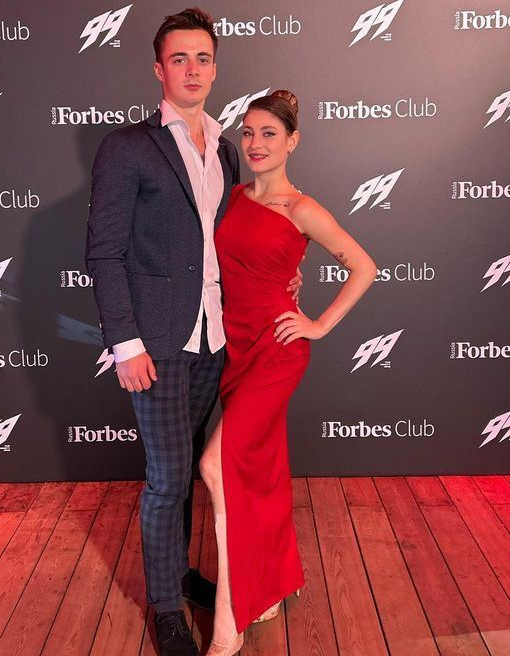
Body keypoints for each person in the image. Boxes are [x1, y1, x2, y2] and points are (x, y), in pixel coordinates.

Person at [85, 9, 301, 656]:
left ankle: (178, 572)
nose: (192, 69)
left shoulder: (229, 149)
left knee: (182, 474)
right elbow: (104, 253)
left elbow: (234, 239)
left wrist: (281, 275)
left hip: (216, 339)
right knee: (168, 477)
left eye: (203, 58)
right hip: (155, 344)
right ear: (159, 69)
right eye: (179, 58)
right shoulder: (127, 147)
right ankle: (165, 609)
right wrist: (125, 345)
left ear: (214, 68)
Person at [198, 90, 378, 656]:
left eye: (269, 134)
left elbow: (363, 266)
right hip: (235, 349)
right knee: (261, 470)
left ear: (292, 141)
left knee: (216, 465)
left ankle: (231, 614)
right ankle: (273, 584)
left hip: (277, 351)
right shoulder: (231, 196)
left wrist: (318, 324)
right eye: (249, 132)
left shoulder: (301, 209)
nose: (255, 144)